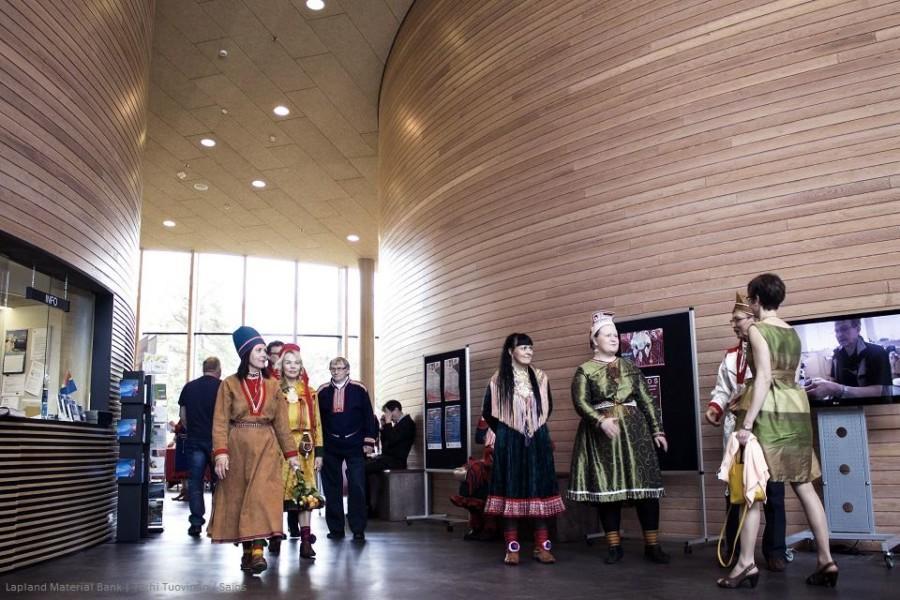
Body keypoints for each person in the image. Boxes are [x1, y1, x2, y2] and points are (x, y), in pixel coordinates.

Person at [718, 273, 837, 589]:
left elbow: (764, 379)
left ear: (755, 300)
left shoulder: (758, 329)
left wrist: (746, 424)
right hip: (796, 408)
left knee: (753, 492)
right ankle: (827, 560)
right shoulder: (792, 331)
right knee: (805, 486)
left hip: (771, 412)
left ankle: (745, 565)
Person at [567, 312, 670, 565]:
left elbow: (647, 400)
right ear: (594, 339)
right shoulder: (585, 370)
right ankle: (614, 546)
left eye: (616, 335)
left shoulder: (631, 368)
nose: (614, 339)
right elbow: (580, 402)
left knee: (645, 490)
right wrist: (600, 421)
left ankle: (652, 545)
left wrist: (657, 430)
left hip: (635, 434)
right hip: (603, 437)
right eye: (608, 334)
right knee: (609, 490)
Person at [207, 327, 300, 575]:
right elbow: (220, 420)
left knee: (261, 496)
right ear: (246, 352)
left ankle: (258, 551)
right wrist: (221, 452)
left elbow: (281, 424)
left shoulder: (272, 386)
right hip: (237, 447)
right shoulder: (229, 384)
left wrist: (292, 456)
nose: (265, 355)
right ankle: (247, 551)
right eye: (259, 350)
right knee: (240, 498)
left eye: (264, 351)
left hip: (267, 447)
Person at [705, 294, 787, 572]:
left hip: (767, 427)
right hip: (737, 430)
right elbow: (722, 389)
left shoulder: (768, 346)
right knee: (737, 490)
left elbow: (777, 386)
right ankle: (737, 550)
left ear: (753, 318)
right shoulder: (730, 356)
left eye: (737, 319)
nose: (733, 325)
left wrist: (749, 399)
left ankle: (775, 551)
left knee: (773, 492)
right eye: (732, 320)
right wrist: (715, 407)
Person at [482, 333, 564, 566]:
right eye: (523, 347)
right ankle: (512, 548)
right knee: (512, 488)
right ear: (510, 351)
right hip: (510, 440)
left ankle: (542, 546)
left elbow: (548, 407)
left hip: (537, 438)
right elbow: (489, 411)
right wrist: (511, 427)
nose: (529, 351)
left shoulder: (540, 377)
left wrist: (532, 425)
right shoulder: (498, 380)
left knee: (538, 488)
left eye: (531, 347)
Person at [269, 344, 323, 560]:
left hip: (304, 449)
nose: (293, 366)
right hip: (277, 447)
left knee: (305, 494)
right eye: (288, 362)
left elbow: (317, 423)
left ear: (301, 366)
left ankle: (306, 541)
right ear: (281, 365)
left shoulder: (310, 393)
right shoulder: (272, 389)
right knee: (275, 493)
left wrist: (319, 452)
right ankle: (274, 535)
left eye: (297, 362)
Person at [317, 356, 378, 541]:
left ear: (348, 370)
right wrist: (318, 447)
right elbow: (317, 421)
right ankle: (336, 529)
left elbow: (369, 416)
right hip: (330, 445)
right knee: (332, 488)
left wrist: (369, 442)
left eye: (340, 368)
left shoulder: (359, 389)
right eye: (333, 368)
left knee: (357, 486)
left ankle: (358, 528)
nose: (337, 371)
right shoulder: (322, 391)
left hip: (355, 444)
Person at [178, 356, 222, 537]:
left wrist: (192, 430)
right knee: (219, 482)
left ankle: (196, 522)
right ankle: (217, 522)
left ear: (203, 368)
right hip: (217, 442)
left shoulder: (189, 387)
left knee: (195, 482)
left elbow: (183, 416)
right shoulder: (222, 387)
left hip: (194, 439)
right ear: (219, 370)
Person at [805, 319, 893, 400]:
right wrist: (823, 388)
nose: (839, 335)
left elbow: (877, 392)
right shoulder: (837, 353)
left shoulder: (877, 351)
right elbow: (833, 380)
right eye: (837, 331)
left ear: (858, 329)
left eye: (844, 329)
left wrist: (836, 389)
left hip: (871, 407)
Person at [450, 417, 499, 541]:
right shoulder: (490, 416)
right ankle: (478, 526)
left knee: (482, 480)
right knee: (472, 477)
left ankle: (489, 528)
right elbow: (478, 437)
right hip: (491, 460)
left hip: (506, 461)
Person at [365, 399, 416, 517]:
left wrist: (388, 424)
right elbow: (387, 446)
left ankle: (366, 508)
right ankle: (369, 507)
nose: (389, 417)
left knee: (361, 469)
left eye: (389, 413)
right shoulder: (397, 425)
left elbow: (393, 440)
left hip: (396, 461)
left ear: (396, 410)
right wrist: (384, 427)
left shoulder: (408, 423)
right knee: (364, 468)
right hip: (388, 458)